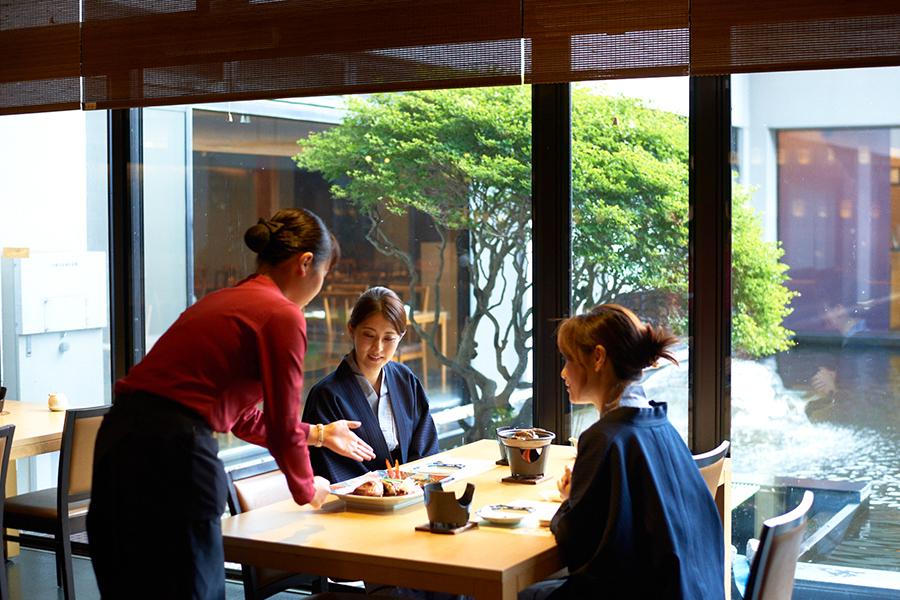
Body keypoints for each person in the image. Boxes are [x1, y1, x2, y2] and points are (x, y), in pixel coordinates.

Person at [87, 208, 376, 600]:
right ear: (306, 263)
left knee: (129, 583)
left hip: (118, 440)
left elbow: (241, 420)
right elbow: (279, 424)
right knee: (192, 588)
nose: (320, 287)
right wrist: (309, 488)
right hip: (176, 452)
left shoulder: (226, 300)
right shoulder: (282, 314)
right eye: (324, 276)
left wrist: (320, 434)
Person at [519, 304, 725, 600]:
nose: (563, 372)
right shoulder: (659, 423)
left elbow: (575, 539)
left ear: (598, 357)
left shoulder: (606, 437)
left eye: (568, 359)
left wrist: (570, 501)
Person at [302, 286, 440, 483]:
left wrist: (409, 485)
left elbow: (426, 447)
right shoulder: (326, 395)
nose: (378, 347)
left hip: (410, 494)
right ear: (351, 330)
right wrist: (381, 486)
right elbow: (328, 469)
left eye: (389, 338)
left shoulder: (405, 380)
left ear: (401, 337)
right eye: (369, 335)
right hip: (358, 504)